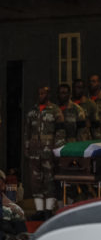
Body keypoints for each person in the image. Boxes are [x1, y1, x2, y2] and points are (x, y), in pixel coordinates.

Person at [25, 86, 65, 217]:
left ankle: (48, 210)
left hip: (49, 150)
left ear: (48, 95)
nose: (41, 95)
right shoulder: (32, 111)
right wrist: (27, 147)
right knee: (35, 180)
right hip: (34, 151)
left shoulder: (55, 110)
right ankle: (39, 210)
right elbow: (27, 131)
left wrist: (57, 149)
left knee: (49, 179)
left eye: (43, 93)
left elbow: (60, 132)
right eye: (39, 93)